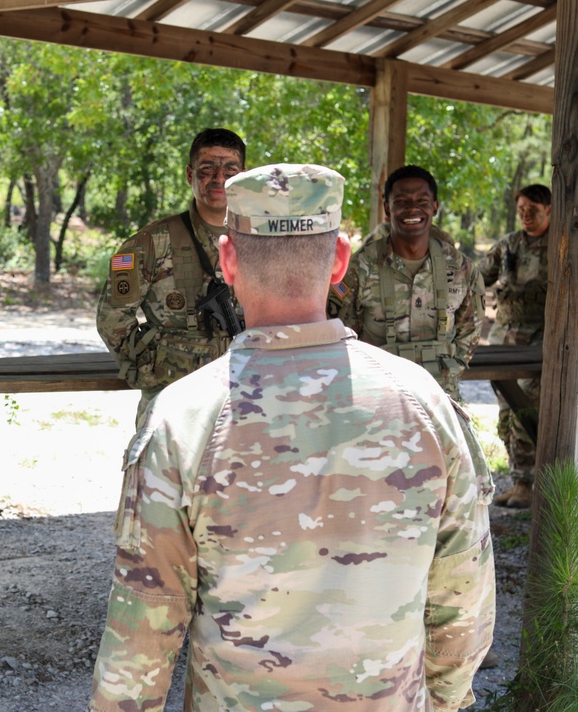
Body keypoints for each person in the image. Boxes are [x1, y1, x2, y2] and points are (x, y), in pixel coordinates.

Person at [89, 164, 495, 711]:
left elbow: (143, 621)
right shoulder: (424, 403)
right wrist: (444, 701)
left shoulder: (183, 417)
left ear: (229, 259)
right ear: (341, 262)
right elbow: (462, 597)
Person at [96, 128, 246, 423]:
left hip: (244, 397)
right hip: (172, 401)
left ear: (243, 176)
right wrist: (153, 364)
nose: (219, 178)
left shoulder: (263, 239)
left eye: (230, 169)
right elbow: (112, 317)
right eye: (207, 169)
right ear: (190, 175)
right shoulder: (151, 242)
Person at [327, 165, 485, 402]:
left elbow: (469, 333)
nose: (412, 208)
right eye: (401, 201)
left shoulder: (461, 268)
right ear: (387, 209)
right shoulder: (361, 268)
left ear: (435, 206)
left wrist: (449, 375)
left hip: (441, 398)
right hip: (379, 398)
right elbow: (342, 334)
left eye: (422, 200)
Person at [478, 184, 551, 509]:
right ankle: (518, 480)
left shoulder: (563, 243)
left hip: (541, 339)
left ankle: (527, 483)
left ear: (549, 209)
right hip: (505, 339)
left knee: (526, 410)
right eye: (521, 210)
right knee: (507, 415)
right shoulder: (509, 244)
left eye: (532, 210)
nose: (526, 216)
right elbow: (477, 278)